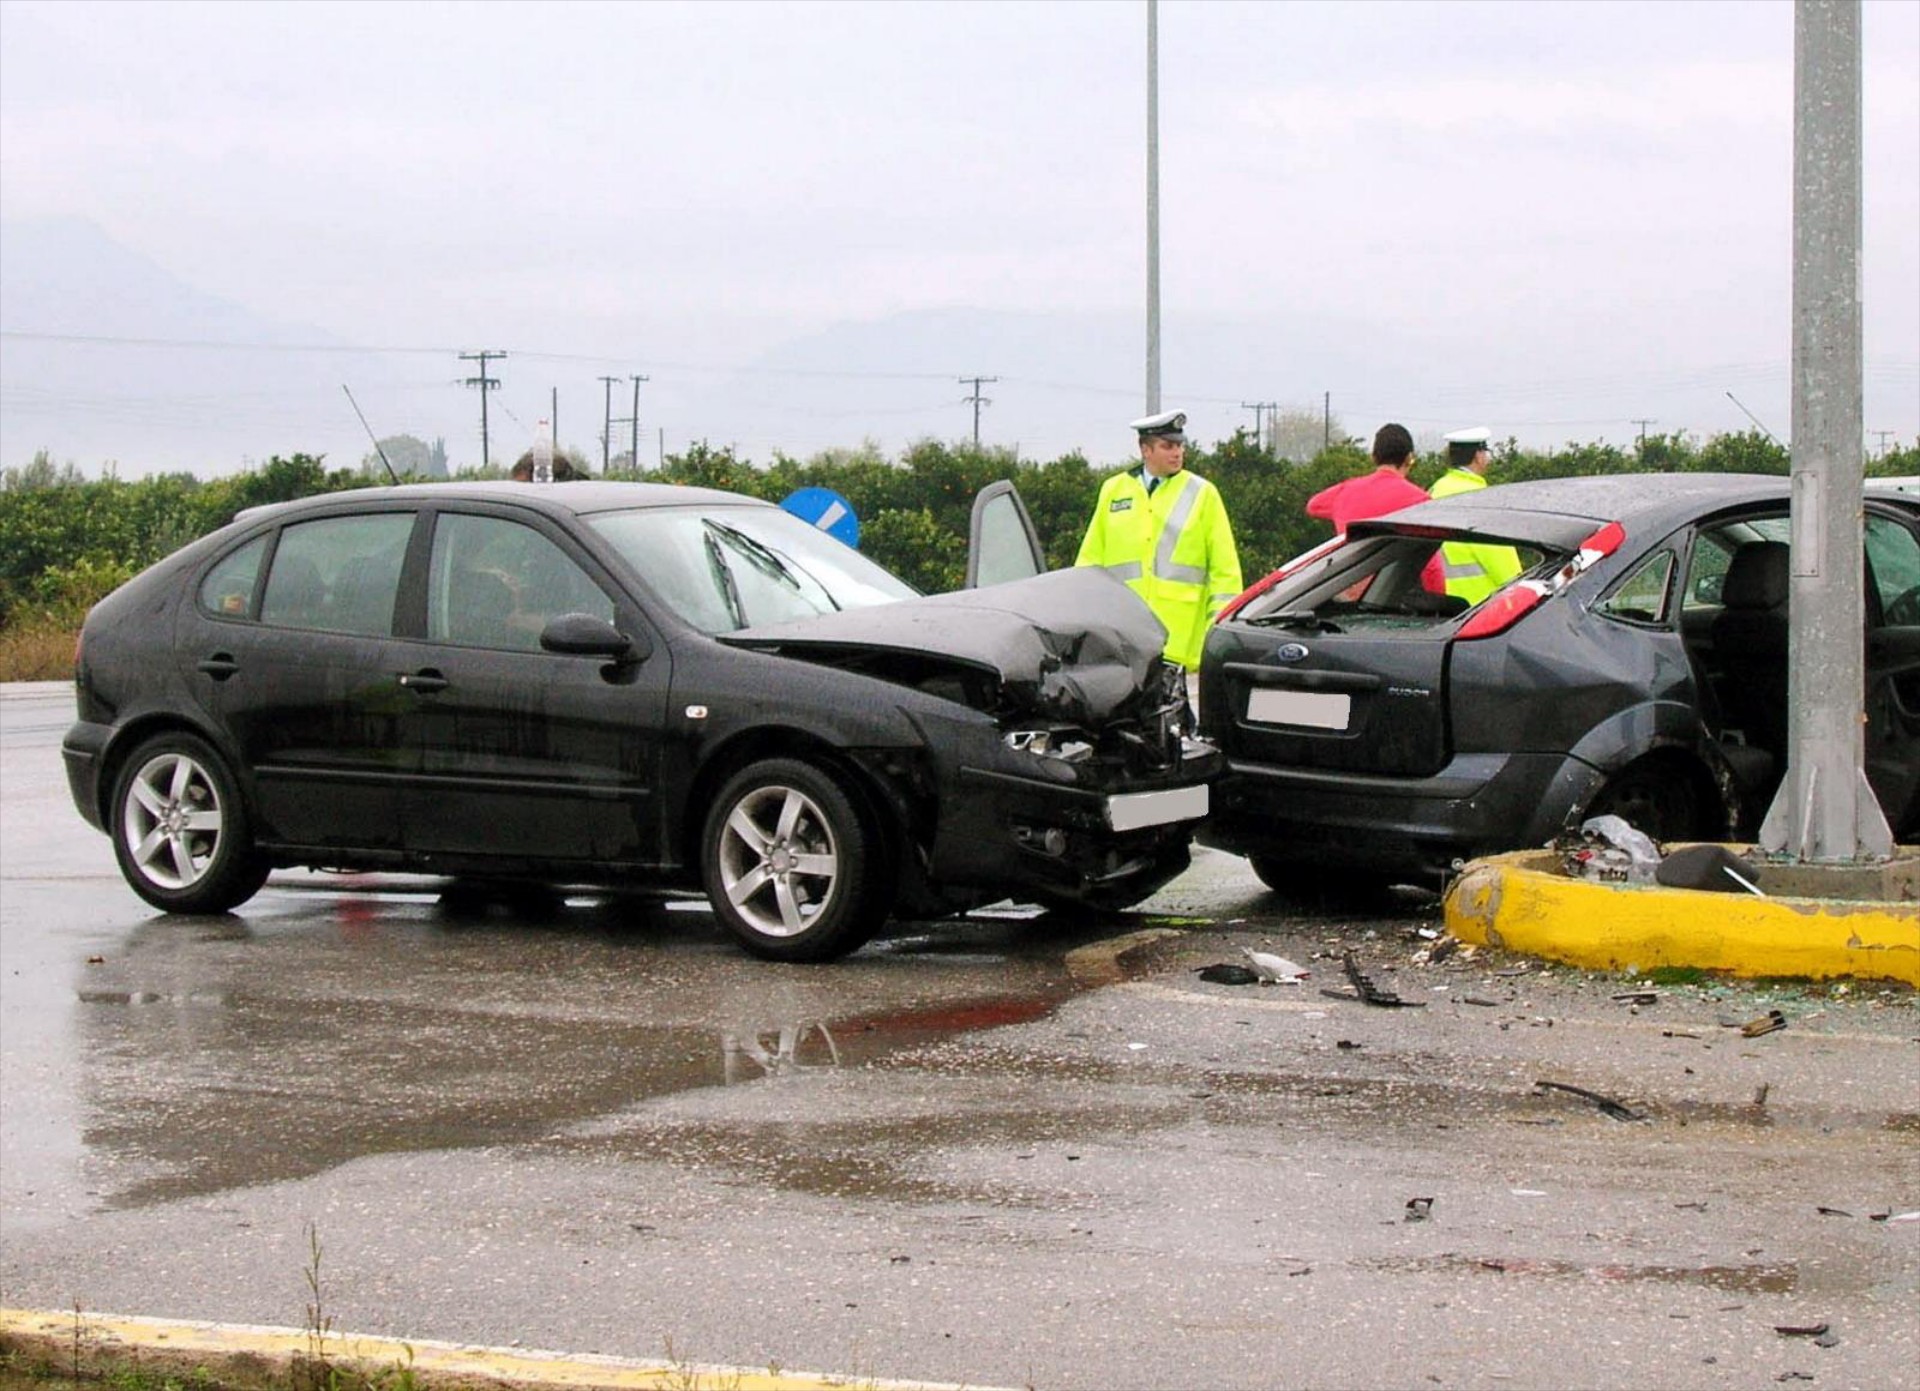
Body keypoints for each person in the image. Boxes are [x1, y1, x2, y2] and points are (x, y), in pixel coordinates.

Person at [1075, 409, 1242, 671]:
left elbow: (1225, 572)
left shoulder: (1203, 493)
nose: (1177, 453)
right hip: (1122, 641)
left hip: (1181, 645)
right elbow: (1089, 562)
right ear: (1145, 450)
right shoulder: (1114, 490)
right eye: (1168, 446)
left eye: (1179, 445)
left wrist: (1219, 631)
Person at [1428, 426, 1524, 604]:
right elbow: (1499, 556)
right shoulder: (1480, 498)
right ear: (1478, 456)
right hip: (1479, 604)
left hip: (1439, 601)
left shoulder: (1435, 490)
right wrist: (1519, 595)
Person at [1305, 422, 1431, 535]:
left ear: (1373, 457)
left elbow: (1313, 506)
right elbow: (1431, 557)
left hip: (1353, 561)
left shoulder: (1345, 491)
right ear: (1409, 459)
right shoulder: (1420, 500)